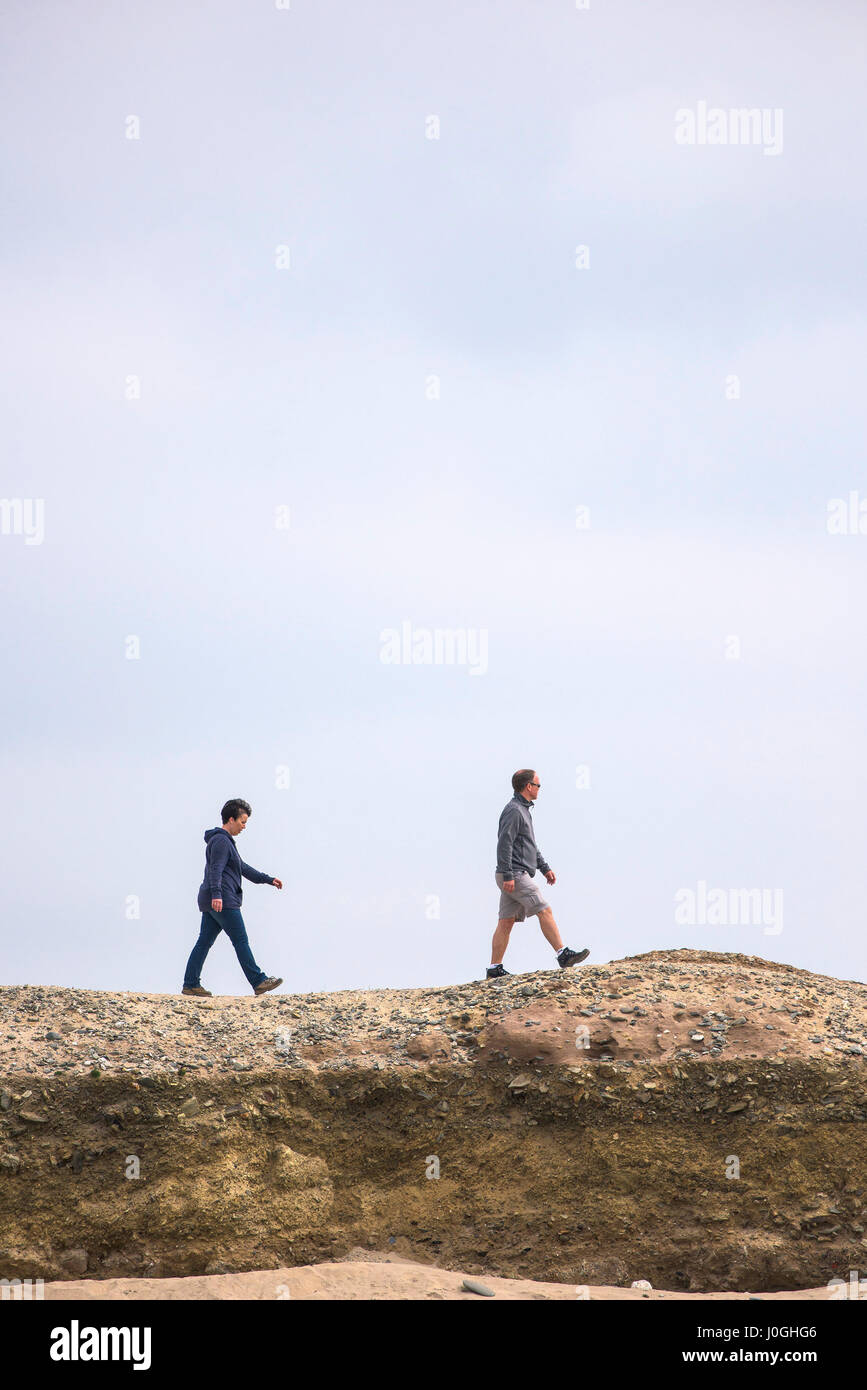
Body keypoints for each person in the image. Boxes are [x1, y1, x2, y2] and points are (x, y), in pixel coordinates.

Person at [488, 769, 589, 979]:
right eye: (538, 785)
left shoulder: (523, 810)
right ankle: (563, 954)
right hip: (514, 873)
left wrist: (544, 868)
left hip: (514, 872)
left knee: (506, 921)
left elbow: (529, 845)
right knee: (544, 909)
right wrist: (507, 875)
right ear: (528, 786)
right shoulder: (514, 811)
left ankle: (494, 969)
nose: (539, 789)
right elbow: (504, 843)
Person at [182, 798, 283, 997]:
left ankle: (191, 984)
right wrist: (218, 895)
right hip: (223, 900)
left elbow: (242, 868)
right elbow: (215, 869)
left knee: (204, 942)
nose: (244, 826)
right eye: (242, 822)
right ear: (230, 819)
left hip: (213, 899)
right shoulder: (221, 840)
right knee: (240, 940)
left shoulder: (225, 842)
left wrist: (268, 879)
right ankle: (259, 981)